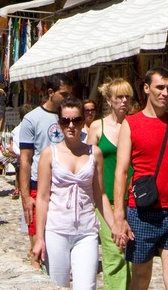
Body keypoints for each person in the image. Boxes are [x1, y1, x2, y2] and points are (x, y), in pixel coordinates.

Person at [113, 68, 168, 290]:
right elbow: (121, 171)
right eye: (160, 87)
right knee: (140, 280)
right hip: (141, 213)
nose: (165, 93)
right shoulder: (131, 123)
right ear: (147, 88)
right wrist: (119, 216)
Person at [32, 100, 117, 290]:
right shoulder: (49, 154)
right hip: (57, 230)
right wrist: (39, 238)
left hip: (86, 231)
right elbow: (43, 197)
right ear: (59, 123)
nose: (71, 126)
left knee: (87, 286)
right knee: (58, 285)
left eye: (76, 120)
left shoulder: (94, 153)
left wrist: (114, 227)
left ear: (83, 121)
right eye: (65, 121)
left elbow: (100, 195)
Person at [84, 77, 134, 290]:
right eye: (119, 97)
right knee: (115, 253)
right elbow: (87, 163)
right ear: (109, 100)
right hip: (106, 200)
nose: (124, 101)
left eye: (127, 97)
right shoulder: (97, 127)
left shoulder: (135, 125)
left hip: (132, 200)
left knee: (133, 257)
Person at [19, 74, 74, 250]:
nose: (67, 99)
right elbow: (25, 159)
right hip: (38, 182)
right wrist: (26, 196)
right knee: (36, 229)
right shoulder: (32, 119)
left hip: (62, 182)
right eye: (64, 94)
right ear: (51, 92)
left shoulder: (69, 119)